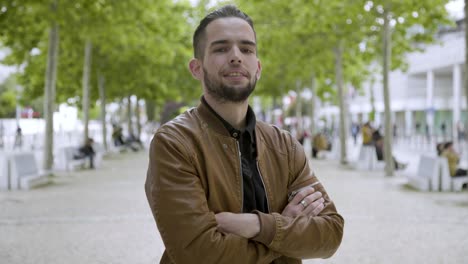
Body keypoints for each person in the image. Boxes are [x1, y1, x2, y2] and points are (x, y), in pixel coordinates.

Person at [145, 5, 343, 263]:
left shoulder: (284, 145)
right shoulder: (174, 143)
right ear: (196, 68)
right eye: (221, 48)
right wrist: (283, 231)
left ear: (258, 67)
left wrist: (257, 226)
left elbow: (330, 234)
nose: (236, 56)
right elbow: (200, 254)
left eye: (246, 49)